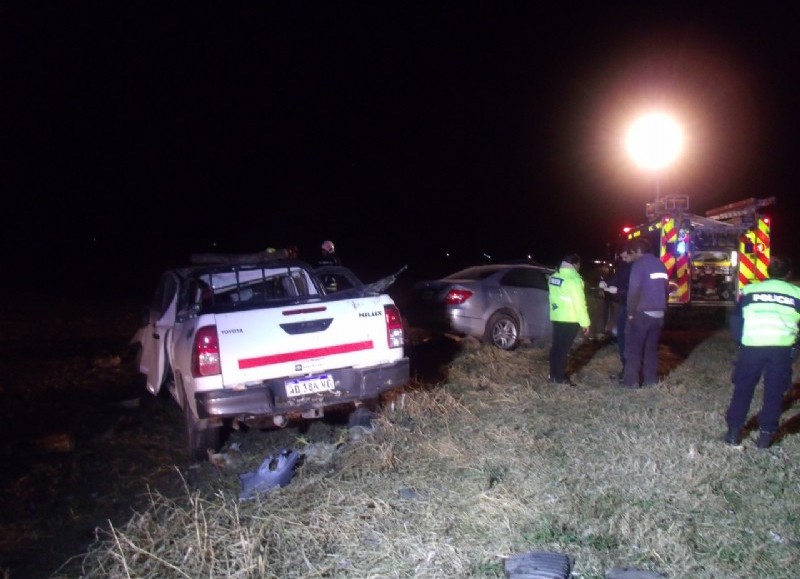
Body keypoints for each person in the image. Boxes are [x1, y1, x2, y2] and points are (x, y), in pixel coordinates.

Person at [724, 255, 800, 449]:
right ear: (788, 273)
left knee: (743, 388)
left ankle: (733, 432)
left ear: (768, 272)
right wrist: (796, 346)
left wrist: (741, 341)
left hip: (752, 346)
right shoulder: (796, 293)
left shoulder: (750, 290)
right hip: (781, 348)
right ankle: (766, 435)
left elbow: (736, 320)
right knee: (774, 391)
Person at [621, 238, 669, 388]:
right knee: (651, 349)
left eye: (632, 252)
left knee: (634, 348)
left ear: (638, 251)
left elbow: (633, 291)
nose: (632, 255)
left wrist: (630, 313)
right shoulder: (661, 264)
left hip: (642, 314)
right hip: (659, 314)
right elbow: (666, 290)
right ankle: (650, 381)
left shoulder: (639, 265)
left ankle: (631, 382)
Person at [548, 253, 591, 385]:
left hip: (557, 316)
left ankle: (553, 374)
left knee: (556, 347)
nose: (579, 267)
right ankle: (560, 378)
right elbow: (579, 304)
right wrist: (585, 323)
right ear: (574, 264)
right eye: (579, 264)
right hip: (570, 319)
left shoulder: (554, 277)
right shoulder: (574, 280)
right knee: (564, 349)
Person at [600, 243, 635, 380]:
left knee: (630, 340)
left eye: (626, 256)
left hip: (633, 307)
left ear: (633, 252)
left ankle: (630, 372)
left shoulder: (638, 267)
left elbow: (636, 289)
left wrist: (619, 291)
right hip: (623, 305)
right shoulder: (624, 264)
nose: (624, 259)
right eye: (622, 257)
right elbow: (618, 277)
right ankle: (625, 370)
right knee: (622, 338)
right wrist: (607, 283)